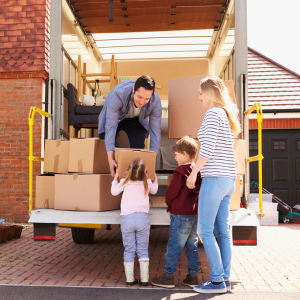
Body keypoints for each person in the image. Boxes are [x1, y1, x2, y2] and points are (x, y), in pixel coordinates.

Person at [186, 76, 241, 294]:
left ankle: (217, 281)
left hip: (215, 179)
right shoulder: (225, 116)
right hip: (228, 180)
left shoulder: (212, 114)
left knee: (204, 230)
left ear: (210, 92)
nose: (199, 97)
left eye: (201, 93)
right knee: (222, 232)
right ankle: (224, 279)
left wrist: (194, 173)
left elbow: (206, 149)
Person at [151, 136, 202, 289]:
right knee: (192, 245)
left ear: (185, 154)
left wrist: (170, 203)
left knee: (174, 246)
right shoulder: (197, 171)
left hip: (180, 214)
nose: (174, 157)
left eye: (176, 154)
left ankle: (168, 277)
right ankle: (192, 277)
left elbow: (171, 192)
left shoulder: (181, 171)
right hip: (193, 214)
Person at [98, 75, 162, 177]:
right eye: (139, 97)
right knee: (107, 154)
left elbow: (155, 131)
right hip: (114, 120)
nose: (142, 102)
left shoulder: (155, 101)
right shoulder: (117, 95)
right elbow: (110, 127)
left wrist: (151, 162)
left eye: (146, 99)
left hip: (135, 121)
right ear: (133, 89)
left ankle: (133, 183)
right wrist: (110, 159)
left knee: (137, 149)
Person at [111, 157, 158, 286]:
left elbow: (114, 192)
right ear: (145, 171)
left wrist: (115, 178)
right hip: (143, 219)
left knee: (129, 249)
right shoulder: (147, 182)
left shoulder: (124, 181)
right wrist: (155, 179)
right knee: (143, 249)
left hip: (128, 219)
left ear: (129, 170)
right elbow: (155, 190)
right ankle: (144, 279)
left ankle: (130, 279)